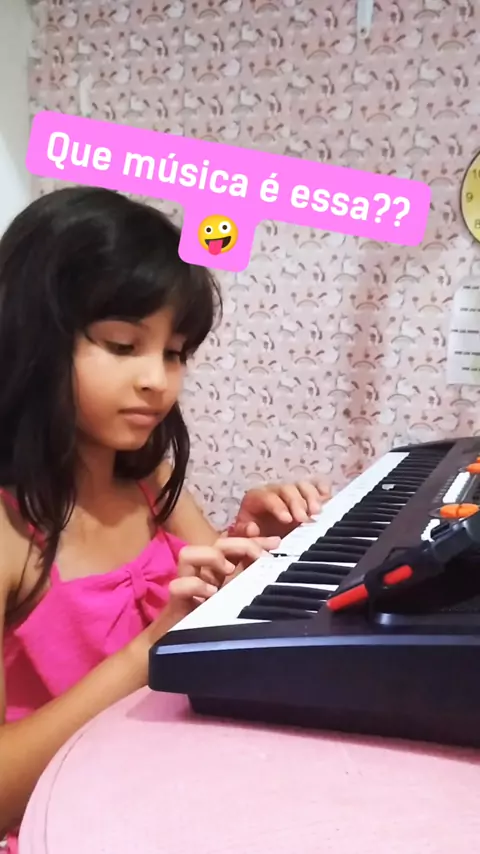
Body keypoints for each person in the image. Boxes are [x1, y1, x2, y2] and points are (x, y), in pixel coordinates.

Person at [0, 187, 329, 848]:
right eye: (124, 346)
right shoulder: (9, 531)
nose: (158, 380)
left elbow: (212, 613)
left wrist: (253, 541)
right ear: (32, 337)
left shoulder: (148, 479)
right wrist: (146, 650)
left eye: (175, 353)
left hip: (175, 779)